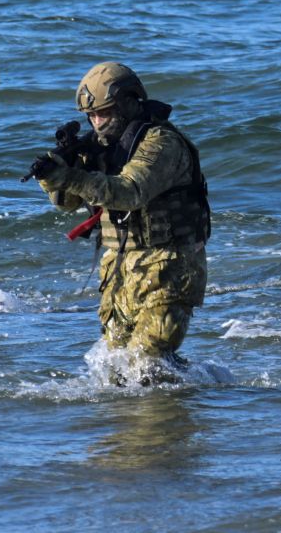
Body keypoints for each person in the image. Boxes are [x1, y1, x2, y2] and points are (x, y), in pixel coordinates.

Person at [33, 62, 211, 363]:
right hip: (120, 271)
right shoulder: (102, 148)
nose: (96, 123)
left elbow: (130, 192)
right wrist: (55, 176)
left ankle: (196, 400)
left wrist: (74, 177)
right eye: (91, 116)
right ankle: (198, 395)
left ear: (128, 104)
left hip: (168, 270)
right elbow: (66, 203)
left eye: (103, 113)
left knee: (146, 363)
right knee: (117, 371)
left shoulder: (161, 142)